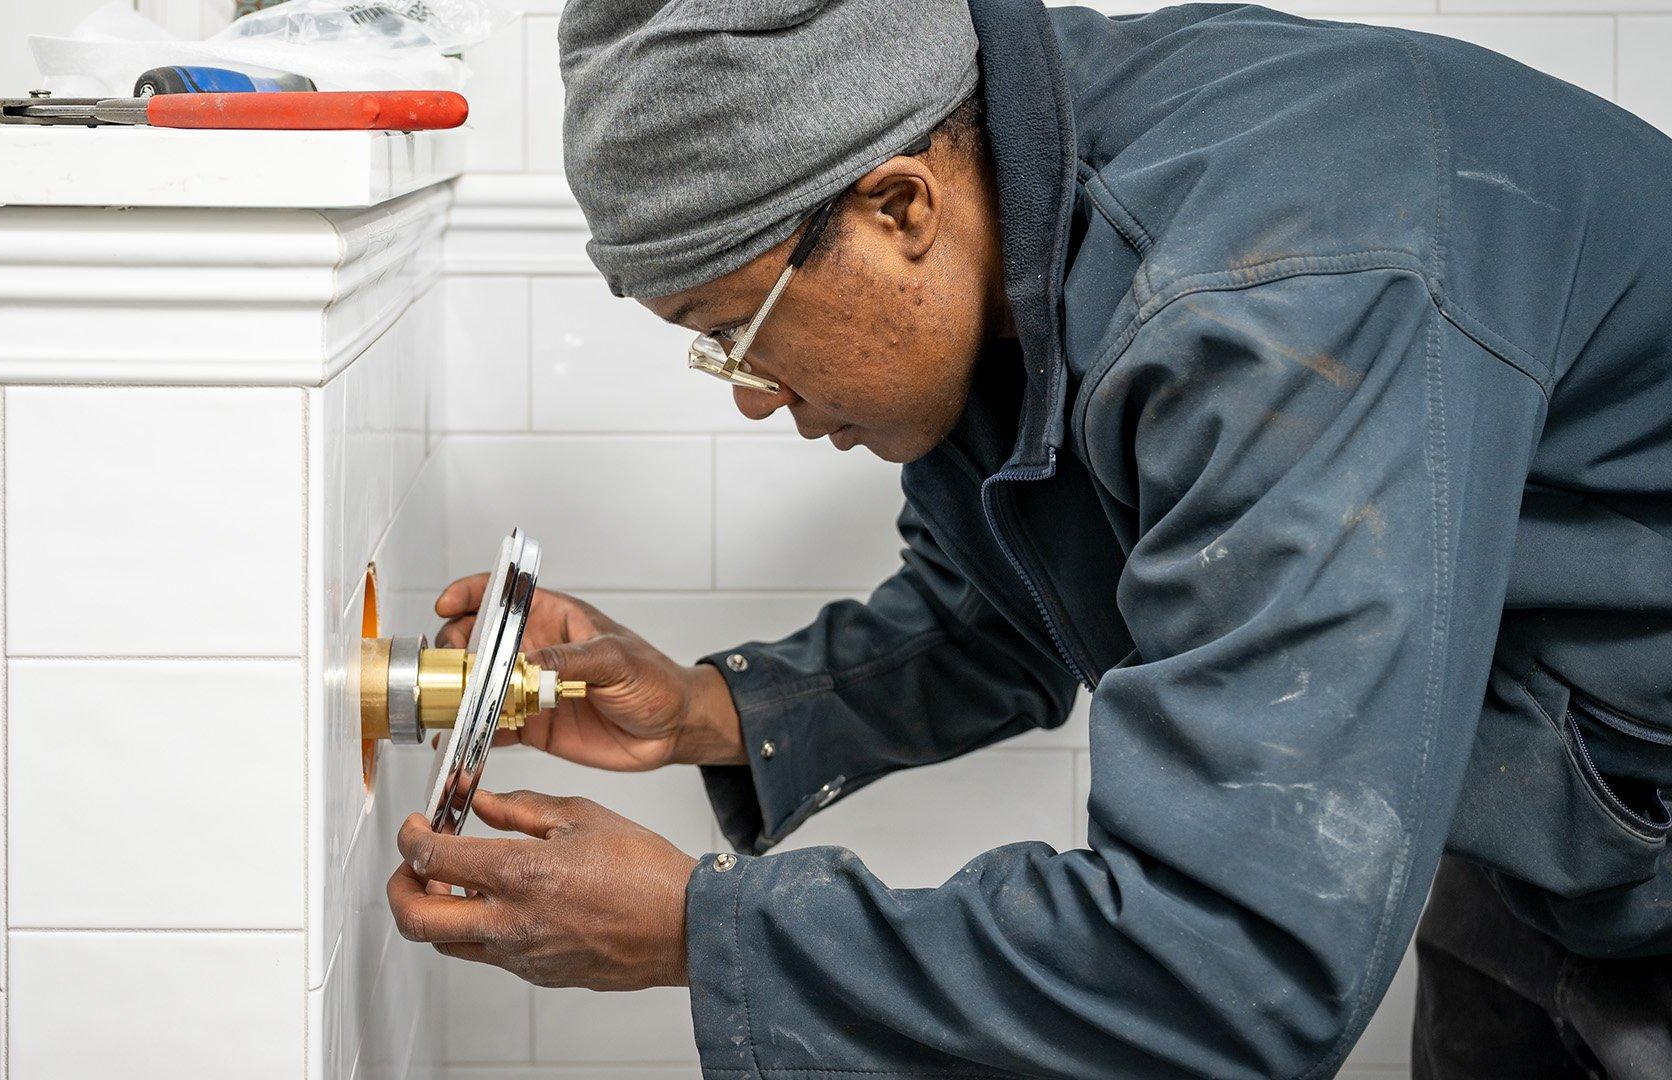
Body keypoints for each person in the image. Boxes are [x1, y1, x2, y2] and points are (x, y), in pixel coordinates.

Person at [386, 1, 1672, 1075]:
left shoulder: (1272, 291)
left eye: (739, 321)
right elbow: (1010, 612)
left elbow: (1236, 966)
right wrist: (710, 709)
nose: (745, 387)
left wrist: (701, 933)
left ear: (898, 208)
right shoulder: (1018, 227)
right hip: (1534, 816)